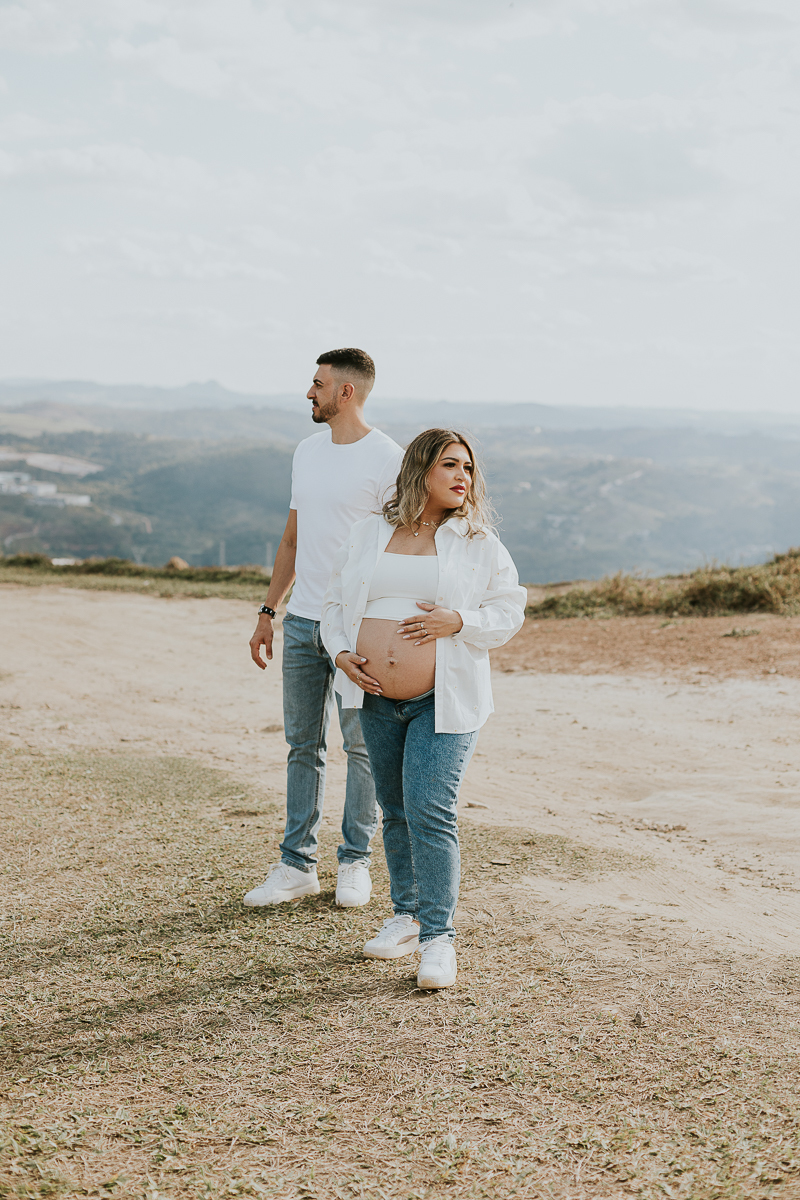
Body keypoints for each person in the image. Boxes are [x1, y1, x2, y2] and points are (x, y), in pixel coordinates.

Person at [321, 428, 526, 988]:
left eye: (468, 468)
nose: (463, 477)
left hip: (445, 697)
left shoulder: (479, 540)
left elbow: (509, 610)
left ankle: (439, 938)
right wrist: (340, 651)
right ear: (419, 471)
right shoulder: (371, 532)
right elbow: (335, 602)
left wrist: (459, 622)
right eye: (450, 466)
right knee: (396, 810)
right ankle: (406, 916)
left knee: (431, 810)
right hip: (377, 699)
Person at [244, 349, 404, 909]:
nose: (307, 393)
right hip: (301, 622)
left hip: (357, 628)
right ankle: (296, 865)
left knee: (361, 746)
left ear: (346, 393)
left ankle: (355, 861)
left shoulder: (389, 459)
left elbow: (402, 544)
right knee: (301, 746)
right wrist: (269, 612)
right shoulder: (306, 452)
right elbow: (293, 539)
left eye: (317, 384)